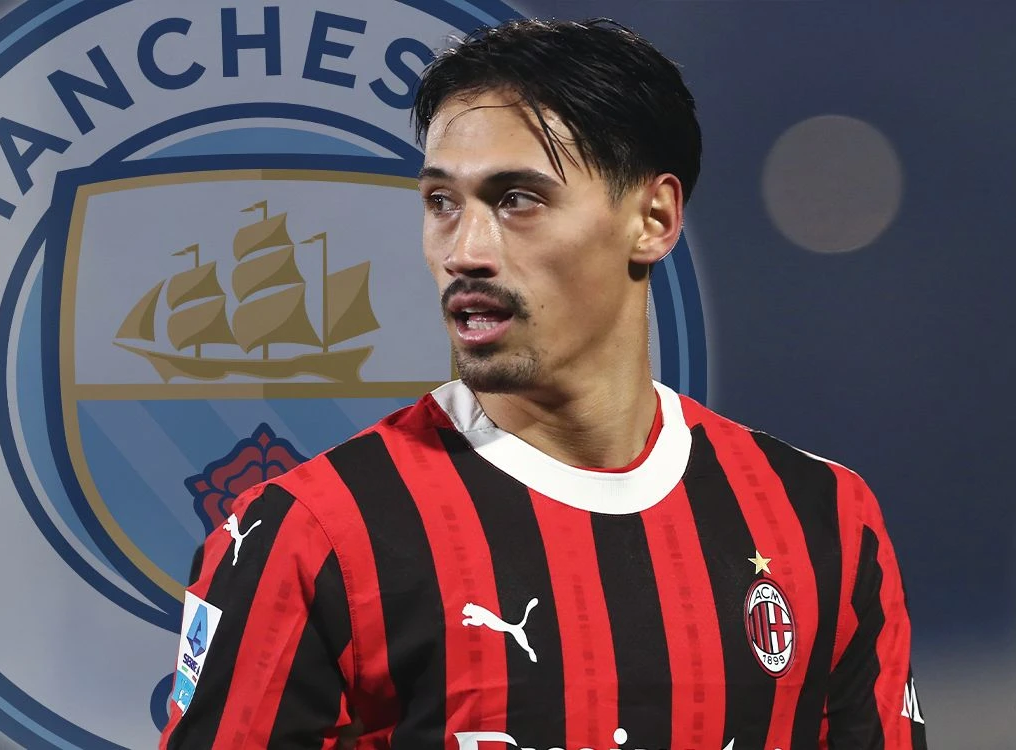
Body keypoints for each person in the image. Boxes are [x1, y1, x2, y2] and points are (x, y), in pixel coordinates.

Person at [160, 18, 926, 750]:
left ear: (653, 219)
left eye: (516, 199)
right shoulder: (312, 535)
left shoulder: (823, 521)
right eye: (441, 203)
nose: (465, 251)